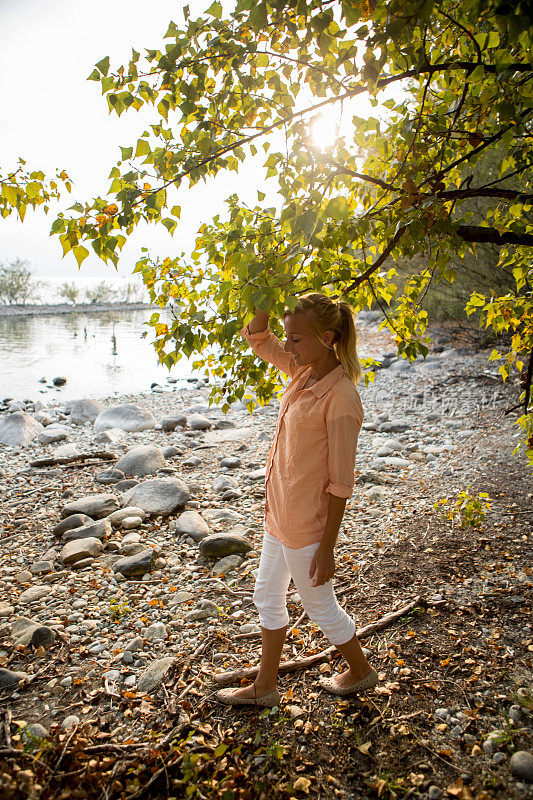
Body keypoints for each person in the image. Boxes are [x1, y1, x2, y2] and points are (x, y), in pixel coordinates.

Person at [216, 292, 377, 708]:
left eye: (297, 339)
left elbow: (341, 483)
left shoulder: (341, 398)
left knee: (321, 607)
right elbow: (257, 336)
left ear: (327, 338)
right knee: (267, 597)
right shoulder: (301, 371)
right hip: (279, 517)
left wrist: (327, 547)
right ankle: (265, 687)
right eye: (288, 338)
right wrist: (268, 292)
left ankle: (361, 672)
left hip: (308, 526)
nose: (287, 347)